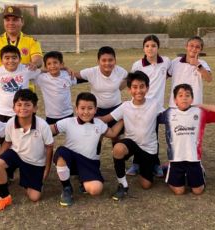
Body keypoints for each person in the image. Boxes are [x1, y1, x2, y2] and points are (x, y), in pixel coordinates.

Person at [51, 92, 123, 206]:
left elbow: (113, 133)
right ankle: (67, 188)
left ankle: (83, 179)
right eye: (82, 108)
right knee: (61, 153)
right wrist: (37, 126)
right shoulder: (68, 122)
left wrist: (122, 119)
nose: (86, 112)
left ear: (95, 109)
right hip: (71, 159)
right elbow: (50, 130)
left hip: (89, 162)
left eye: (90, 108)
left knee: (96, 190)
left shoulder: (99, 124)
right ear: (76, 109)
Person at [101, 71, 161, 201]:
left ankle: (143, 165)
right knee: (118, 148)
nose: (138, 90)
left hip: (148, 149)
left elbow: (169, 116)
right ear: (129, 89)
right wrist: (88, 118)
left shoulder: (154, 104)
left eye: (142, 86)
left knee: (146, 185)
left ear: (147, 88)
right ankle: (123, 185)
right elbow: (106, 118)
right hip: (131, 145)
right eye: (134, 87)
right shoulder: (125, 106)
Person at [0, 89, 54, 211]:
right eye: (19, 105)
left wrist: (46, 170)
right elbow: (8, 142)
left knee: (34, 197)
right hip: (16, 155)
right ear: (14, 108)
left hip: (34, 162)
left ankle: (28, 180)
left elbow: (50, 147)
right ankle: (4, 197)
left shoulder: (42, 125)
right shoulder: (10, 122)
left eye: (27, 105)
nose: (23, 108)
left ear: (35, 108)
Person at [158, 84, 215, 195]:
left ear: (192, 99)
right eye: (180, 95)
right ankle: (167, 169)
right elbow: (151, 118)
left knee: (198, 191)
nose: (184, 98)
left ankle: (200, 171)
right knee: (179, 191)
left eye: (187, 95)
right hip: (176, 158)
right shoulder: (168, 113)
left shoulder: (200, 112)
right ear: (175, 100)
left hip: (193, 158)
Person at [126, 34, 172, 177]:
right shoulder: (137, 65)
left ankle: (155, 164)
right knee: (139, 135)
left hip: (156, 108)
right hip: (140, 106)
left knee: (153, 136)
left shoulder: (166, 62)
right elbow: (133, 85)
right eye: (147, 46)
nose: (150, 49)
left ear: (158, 47)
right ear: (143, 48)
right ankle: (136, 163)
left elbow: (167, 75)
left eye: (153, 46)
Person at [0, 5, 43, 112]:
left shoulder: (31, 41)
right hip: (4, 94)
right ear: (3, 22)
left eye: (15, 20)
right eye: (7, 20)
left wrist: (34, 63)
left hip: (26, 95)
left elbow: (38, 58)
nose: (11, 23)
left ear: (22, 22)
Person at [72, 46, 127, 151]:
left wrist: (120, 87)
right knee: (97, 137)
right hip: (98, 110)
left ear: (115, 60)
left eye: (110, 60)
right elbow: (73, 75)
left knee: (115, 136)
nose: (107, 63)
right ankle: (93, 162)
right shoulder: (91, 72)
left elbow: (128, 80)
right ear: (98, 61)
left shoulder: (121, 72)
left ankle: (119, 165)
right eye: (104, 60)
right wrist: (64, 69)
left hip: (116, 109)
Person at [0, 45, 41, 144]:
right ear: (1, 60)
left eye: (14, 58)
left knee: (21, 140)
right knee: (4, 141)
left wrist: (63, 68)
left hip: (21, 112)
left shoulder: (26, 69)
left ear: (20, 59)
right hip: (3, 112)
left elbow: (44, 71)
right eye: (7, 58)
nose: (11, 61)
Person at [168, 36, 212, 108]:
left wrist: (198, 65)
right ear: (186, 47)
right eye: (191, 46)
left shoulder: (202, 63)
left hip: (194, 104)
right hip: (175, 105)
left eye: (197, 47)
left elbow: (209, 79)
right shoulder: (175, 61)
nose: (194, 49)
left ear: (201, 49)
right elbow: (163, 77)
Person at [34, 51, 77, 125]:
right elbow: (30, 72)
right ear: (45, 67)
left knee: (71, 135)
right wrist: (65, 68)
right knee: (48, 135)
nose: (52, 66)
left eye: (55, 62)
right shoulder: (42, 78)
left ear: (61, 64)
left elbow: (75, 80)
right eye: (49, 64)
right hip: (51, 116)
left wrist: (66, 69)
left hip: (68, 114)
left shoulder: (67, 75)